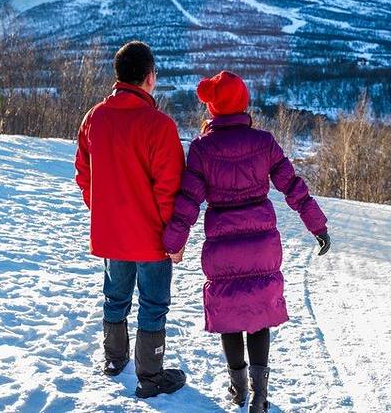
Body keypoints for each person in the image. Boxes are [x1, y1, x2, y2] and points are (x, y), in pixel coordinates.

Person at [163, 71, 330, 412]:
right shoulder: (263, 142)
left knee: (230, 315)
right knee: (258, 316)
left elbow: (188, 201)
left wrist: (173, 242)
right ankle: (260, 395)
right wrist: (317, 225)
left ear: (213, 108)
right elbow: (292, 186)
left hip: (223, 245)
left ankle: (238, 390)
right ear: (243, 103)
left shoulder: (202, 148)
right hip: (261, 243)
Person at [74, 41, 186, 398]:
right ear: (150, 77)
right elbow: (169, 190)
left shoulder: (94, 118)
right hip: (151, 237)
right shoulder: (160, 125)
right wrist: (174, 239)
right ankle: (150, 377)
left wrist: (103, 212)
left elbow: (84, 175)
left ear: (118, 75)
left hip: (112, 234)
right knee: (153, 304)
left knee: (114, 297)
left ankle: (114, 359)